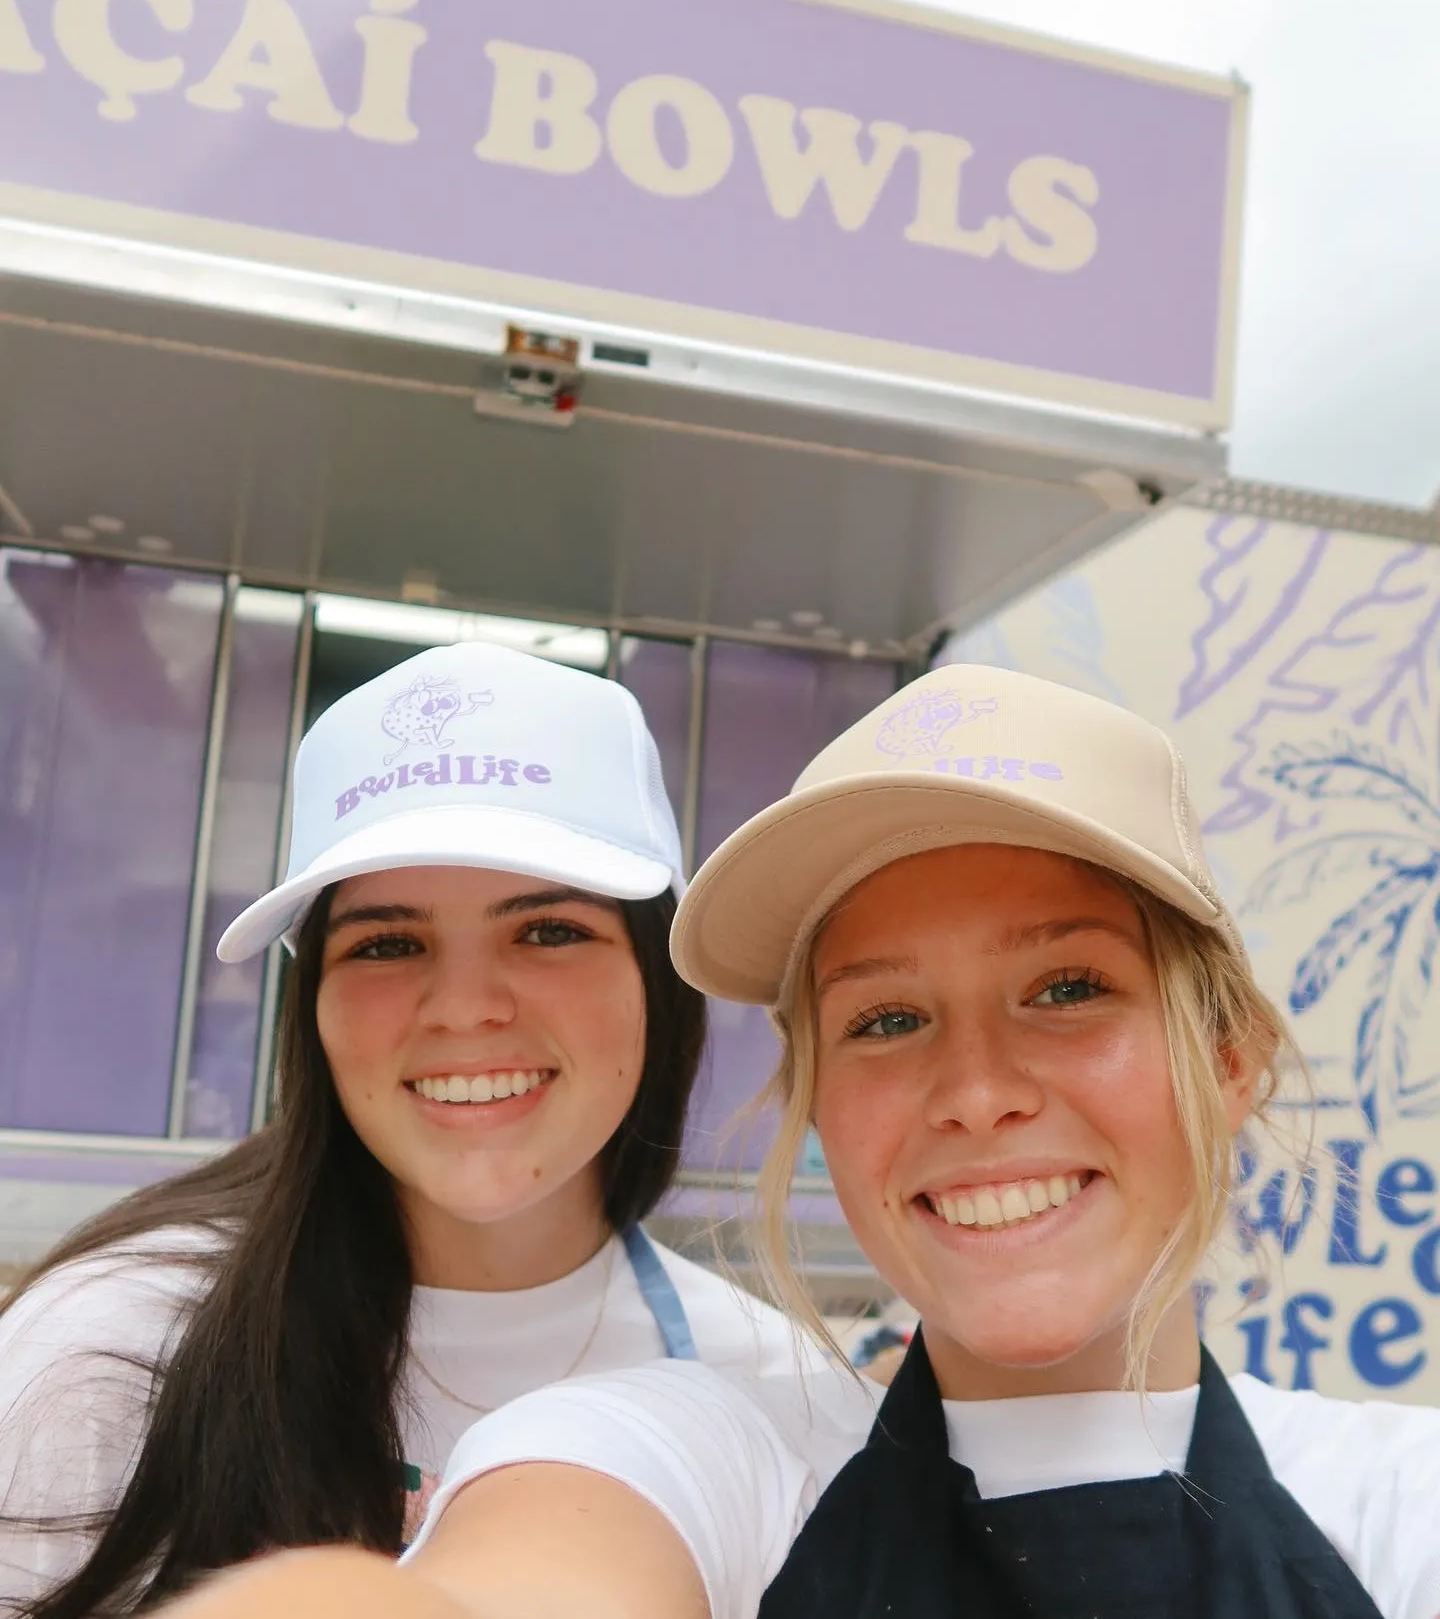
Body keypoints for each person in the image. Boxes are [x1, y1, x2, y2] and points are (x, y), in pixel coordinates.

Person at [158, 664, 1440, 1619]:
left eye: (1066, 988)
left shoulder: (1397, 1502)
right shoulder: (700, 1457)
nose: (978, 1090)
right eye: (887, 1017)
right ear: (820, 1104)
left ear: (1228, 1058)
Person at [0, 641, 815, 1617]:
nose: (464, 1007)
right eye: (387, 941)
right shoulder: (108, 1347)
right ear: (313, 1009)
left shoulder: (776, 1389)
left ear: (657, 983)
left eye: (548, 928)